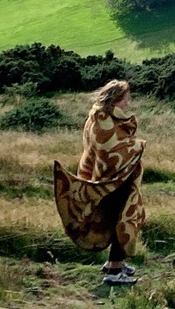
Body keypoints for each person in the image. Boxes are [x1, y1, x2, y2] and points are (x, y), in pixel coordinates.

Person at [53, 78, 146, 286]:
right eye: (125, 99)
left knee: (118, 218)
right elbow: (109, 150)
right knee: (122, 220)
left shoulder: (101, 116)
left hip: (109, 179)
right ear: (114, 100)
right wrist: (137, 145)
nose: (127, 103)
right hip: (111, 181)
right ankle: (114, 270)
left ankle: (117, 263)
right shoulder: (102, 120)